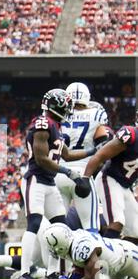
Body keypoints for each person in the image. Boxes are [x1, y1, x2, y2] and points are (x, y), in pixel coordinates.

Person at [19, 88, 97, 279]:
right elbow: (41, 159)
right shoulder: (43, 123)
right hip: (35, 180)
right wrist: (68, 172)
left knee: (60, 227)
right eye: (66, 104)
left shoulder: (55, 126)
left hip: (49, 182)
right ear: (57, 105)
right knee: (34, 224)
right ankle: (24, 273)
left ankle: (52, 273)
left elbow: (68, 155)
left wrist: (93, 151)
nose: (69, 108)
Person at [55, 82, 109, 233]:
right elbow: (102, 147)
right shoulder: (97, 114)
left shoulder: (57, 116)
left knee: (56, 228)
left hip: (59, 172)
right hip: (83, 172)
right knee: (91, 226)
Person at [78, 113, 138, 244]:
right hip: (109, 179)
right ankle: (104, 259)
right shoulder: (131, 134)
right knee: (117, 221)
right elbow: (100, 156)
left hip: (125, 186)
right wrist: (85, 177)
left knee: (136, 231)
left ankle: (125, 260)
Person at [43, 223, 138, 279]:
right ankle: (127, 278)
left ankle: (130, 278)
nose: (52, 250)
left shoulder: (80, 246)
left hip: (129, 257)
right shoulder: (71, 240)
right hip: (114, 267)